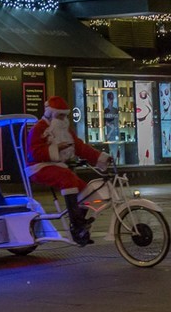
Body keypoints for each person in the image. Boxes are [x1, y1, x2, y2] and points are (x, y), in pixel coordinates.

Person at [25, 96, 113, 245]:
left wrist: (101, 157)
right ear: (50, 114)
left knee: (85, 189)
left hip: (57, 166)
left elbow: (80, 147)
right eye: (60, 115)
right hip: (37, 167)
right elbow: (33, 153)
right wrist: (55, 149)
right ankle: (77, 226)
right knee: (68, 178)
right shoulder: (39, 128)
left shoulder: (65, 130)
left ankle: (81, 223)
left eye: (65, 115)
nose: (63, 119)